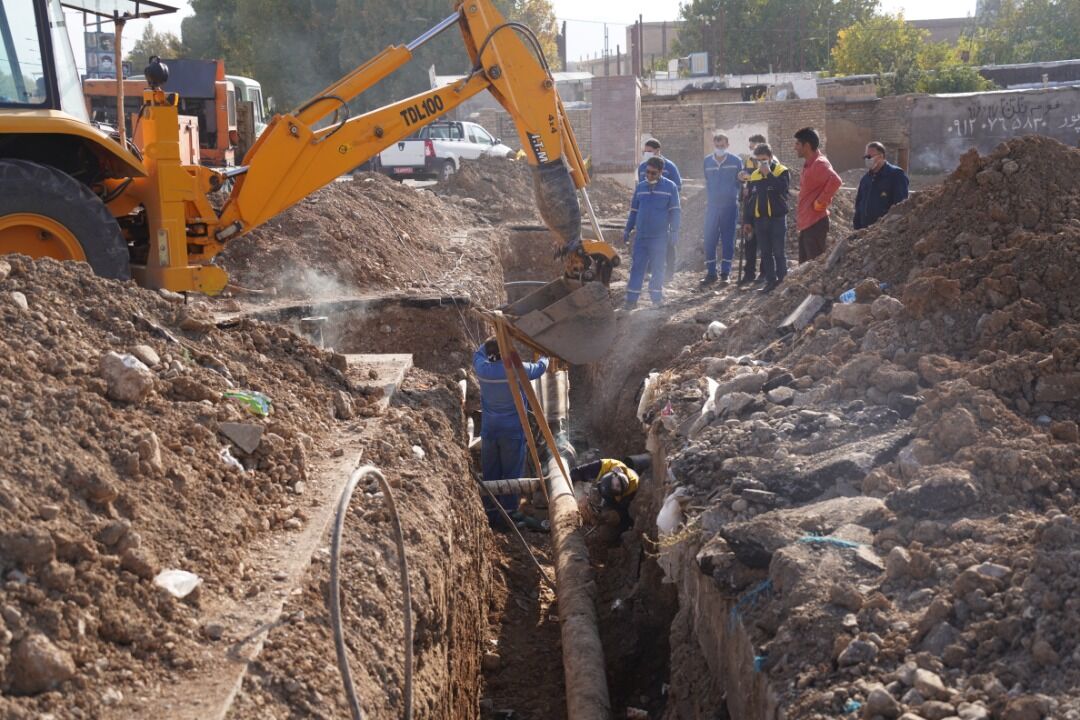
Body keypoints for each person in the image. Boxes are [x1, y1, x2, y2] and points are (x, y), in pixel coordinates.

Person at [473, 338, 549, 527]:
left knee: (491, 472)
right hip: (512, 432)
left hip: (490, 431)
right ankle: (508, 516)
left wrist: (496, 339)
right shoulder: (516, 370)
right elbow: (540, 368)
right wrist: (545, 355)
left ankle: (491, 512)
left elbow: (478, 353)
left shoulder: (482, 369)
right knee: (511, 474)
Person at [622, 156, 681, 309]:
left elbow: (675, 211)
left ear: (661, 172)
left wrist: (674, 231)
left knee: (658, 268)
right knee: (637, 267)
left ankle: (656, 299)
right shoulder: (640, 187)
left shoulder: (670, 187)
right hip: (641, 236)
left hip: (659, 237)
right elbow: (634, 211)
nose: (649, 176)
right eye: (647, 172)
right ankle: (631, 300)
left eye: (653, 173)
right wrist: (628, 229)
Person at [742, 143, 790, 294]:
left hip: (777, 219)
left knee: (779, 252)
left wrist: (768, 174)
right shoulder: (754, 175)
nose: (761, 163)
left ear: (770, 157)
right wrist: (748, 221)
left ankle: (782, 282)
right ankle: (770, 281)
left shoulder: (781, 171)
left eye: (764, 159)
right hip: (760, 220)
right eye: (758, 160)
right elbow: (750, 200)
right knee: (765, 253)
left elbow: (782, 189)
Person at [793, 127, 842, 263]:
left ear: (807, 145)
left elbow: (836, 180)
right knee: (804, 268)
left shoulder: (819, 163)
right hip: (807, 224)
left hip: (815, 223)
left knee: (814, 266)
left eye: (797, 144)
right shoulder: (809, 164)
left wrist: (821, 201)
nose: (794, 147)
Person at [700, 131, 744, 285]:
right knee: (710, 239)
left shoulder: (736, 161)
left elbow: (741, 181)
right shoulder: (707, 162)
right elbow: (707, 180)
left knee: (728, 240)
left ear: (727, 145)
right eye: (717, 145)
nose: (720, 148)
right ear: (714, 145)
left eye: (722, 145)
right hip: (712, 206)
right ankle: (711, 273)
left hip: (730, 206)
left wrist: (738, 194)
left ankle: (725, 273)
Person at [638, 138, 682, 281]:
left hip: (665, 210)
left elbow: (677, 186)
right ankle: (649, 270)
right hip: (648, 211)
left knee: (668, 242)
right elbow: (641, 187)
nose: (646, 154)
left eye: (649, 152)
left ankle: (669, 273)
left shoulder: (670, 167)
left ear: (657, 151)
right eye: (645, 152)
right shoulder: (642, 167)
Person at [571, 458, 640, 530]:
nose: (615, 485)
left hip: (617, 499)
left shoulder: (631, 491)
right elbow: (575, 472)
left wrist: (613, 515)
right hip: (607, 491)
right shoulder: (604, 465)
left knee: (609, 529)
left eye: (617, 486)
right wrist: (581, 495)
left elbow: (626, 514)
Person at [853, 141, 909, 230]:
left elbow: (901, 205)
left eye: (870, 157)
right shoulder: (866, 179)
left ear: (881, 156)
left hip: (884, 232)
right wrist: (857, 228)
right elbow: (859, 204)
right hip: (864, 231)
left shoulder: (896, 175)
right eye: (866, 157)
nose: (868, 160)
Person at [737, 133, 767, 285]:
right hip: (750, 205)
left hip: (764, 207)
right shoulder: (749, 160)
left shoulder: (770, 162)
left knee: (764, 241)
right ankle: (749, 273)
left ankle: (764, 272)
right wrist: (742, 176)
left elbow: (761, 178)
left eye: (753, 146)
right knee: (749, 241)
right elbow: (745, 176)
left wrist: (749, 177)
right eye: (750, 147)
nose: (751, 150)